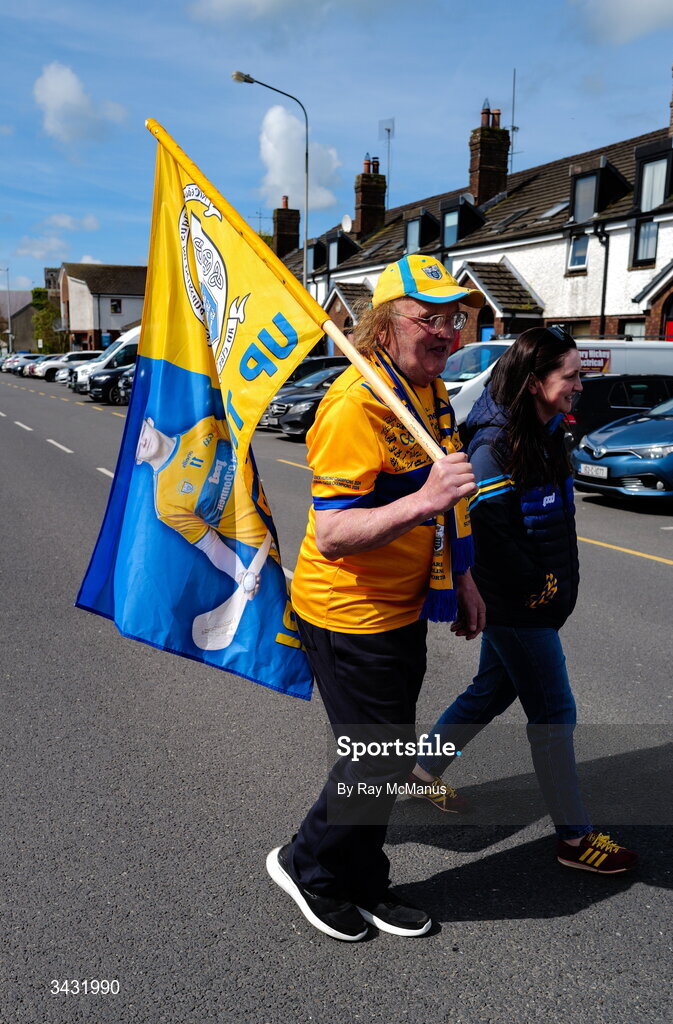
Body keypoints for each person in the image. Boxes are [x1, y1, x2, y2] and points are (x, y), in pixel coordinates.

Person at [266, 255, 486, 941]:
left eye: (454, 317)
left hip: (403, 608)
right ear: (385, 326)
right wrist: (425, 498)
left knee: (382, 757)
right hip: (347, 612)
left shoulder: (430, 393)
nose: (447, 331)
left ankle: (363, 877)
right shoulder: (354, 403)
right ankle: (309, 865)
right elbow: (332, 532)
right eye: (430, 318)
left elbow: (448, 506)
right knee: (379, 757)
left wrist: (465, 579)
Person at [409, 326, 639, 875]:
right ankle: (574, 839)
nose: (581, 385)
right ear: (535, 382)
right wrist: (538, 585)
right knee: (555, 713)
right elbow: (488, 531)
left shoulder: (545, 430)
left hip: (538, 600)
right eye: (572, 376)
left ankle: (420, 773)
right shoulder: (495, 444)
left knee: (490, 689)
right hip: (519, 608)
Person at [136, 415, 271, 600]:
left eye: (141, 431)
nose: (142, 441)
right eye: (136, 446)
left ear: (149, 422)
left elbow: (242, 442)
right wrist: (241, 574)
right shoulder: (164, 503)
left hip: (270, 515)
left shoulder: (205, 427)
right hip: (260, 548)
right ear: (137, 459)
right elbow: (211, 545)